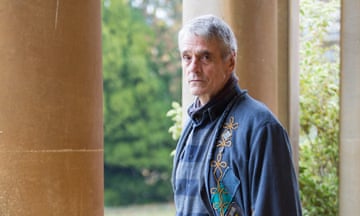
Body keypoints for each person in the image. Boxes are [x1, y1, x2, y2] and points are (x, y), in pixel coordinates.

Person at [171, 14, 302, 216]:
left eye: (205, 57)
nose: (193, 68)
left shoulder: (261, 128)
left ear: (230, 62)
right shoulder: (193, 124)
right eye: (187, 57)